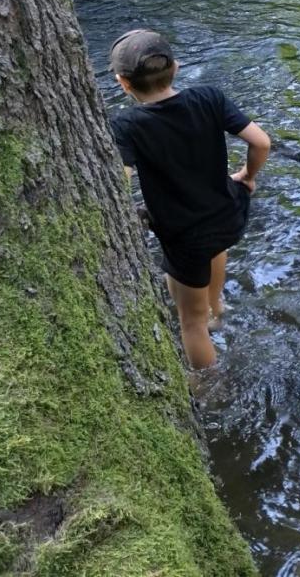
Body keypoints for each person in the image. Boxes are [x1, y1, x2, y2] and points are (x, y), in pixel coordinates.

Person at [108, 29, 271, 369]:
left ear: (123, 82)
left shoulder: (127, 124)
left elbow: (120, 182)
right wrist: (248, 176)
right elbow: (261, 143)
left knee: (190, 324)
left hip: (185, 232)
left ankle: (211, 386)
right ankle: (217, 309)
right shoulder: (208, 98)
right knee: (212, 254)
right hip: (226, 214)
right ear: (176, 68)